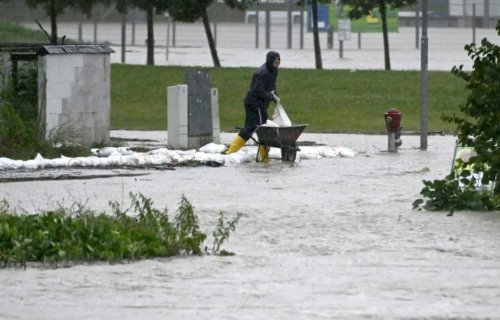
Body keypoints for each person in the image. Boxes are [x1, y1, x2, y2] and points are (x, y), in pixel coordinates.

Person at [225, 50, 281, 161]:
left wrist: (275, 95)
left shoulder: (274, 71)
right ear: (270, 60)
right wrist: (269, 96)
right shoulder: (260, 73)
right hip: (254, 104)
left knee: (257, 128)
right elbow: (258, 90)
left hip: (260, 105)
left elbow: (271, 85)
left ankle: (262, 155)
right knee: (260, 128)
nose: (277, 62)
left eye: (279, 60)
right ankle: (232, 151)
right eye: (275, 60)